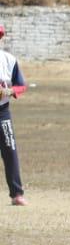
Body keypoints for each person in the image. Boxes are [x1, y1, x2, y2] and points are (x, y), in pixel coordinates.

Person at [0, 23, 29, 206]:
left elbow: (21, 85)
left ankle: (17, 194)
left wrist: (9, 92)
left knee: (10, 150)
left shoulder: (9, 59)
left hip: (2, 112)